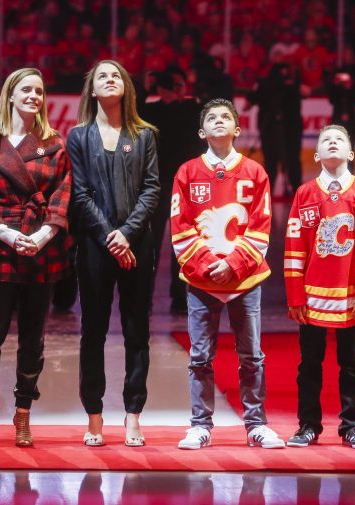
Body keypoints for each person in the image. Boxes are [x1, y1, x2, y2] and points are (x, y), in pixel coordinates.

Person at [0, 67, 72, 447]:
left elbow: (62, 194)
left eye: (39, 91)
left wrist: (42, 235)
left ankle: (23, 413)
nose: (33, 96)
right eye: (26, 89)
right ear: (10, 93)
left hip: (40, 247)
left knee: (32, 339)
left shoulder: (54, 142)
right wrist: (7, 234)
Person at [171, 98, 285, 450]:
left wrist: (234, 265)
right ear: (201, 131)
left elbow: (262, 227)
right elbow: (180, 226)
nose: (219, 121)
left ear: (237, 129)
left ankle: (256, 425)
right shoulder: (187, 172)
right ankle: (200, 425)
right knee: (200, 357)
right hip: (201, 281)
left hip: (245, 281)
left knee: (251, 355)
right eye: (211, 118)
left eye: (226, 117)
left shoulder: (255, 172)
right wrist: (207, 265)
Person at [68, 60, 160, 447]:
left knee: (137, 331)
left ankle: (133, 415)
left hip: (137, 243)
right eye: (101, 75)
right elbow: (80, 193)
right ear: (92, 90)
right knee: (93, 331)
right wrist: (110, 236)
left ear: (126, 88)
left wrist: (127, 233)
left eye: (116, 75)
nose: (109, 78)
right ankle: (94, 416)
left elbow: (152, 189)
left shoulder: (145, 135)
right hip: (95, 243)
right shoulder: (77, 136)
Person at [284, 124, 355, 449]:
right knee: (309, 363)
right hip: (312, 297)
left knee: (351, 363)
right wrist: (295, 294)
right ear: (316, 154)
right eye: (326, 140)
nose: (332, 143)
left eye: (339, 139)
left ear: (351, 153)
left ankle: (352, 426)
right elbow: (295, 246)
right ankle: (308, 425)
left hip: (352, 295)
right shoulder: (305, 193)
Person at [138, 69, 204, 314]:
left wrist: (152, 89)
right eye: (176, 86)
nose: (181, 90)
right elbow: (134, 111)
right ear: (165, 90)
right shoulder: (153, 112)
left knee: (183, 245)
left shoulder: (191, 110)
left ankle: (179, 295)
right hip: (158, 187)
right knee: (151, 246)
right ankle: (147, 296)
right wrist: (149, 89)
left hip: (183, 188)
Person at [246, 58, 303, 197]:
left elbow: (250, 100)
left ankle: (287, 189)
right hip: (273, 127)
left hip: (287, 128)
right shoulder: (268, 85)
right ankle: (284, 189)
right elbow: (251, 100)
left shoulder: (288, 84)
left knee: (287, 159)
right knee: (275, 160)